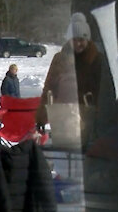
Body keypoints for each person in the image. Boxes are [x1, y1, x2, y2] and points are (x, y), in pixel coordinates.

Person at [36, 11, 104, 150]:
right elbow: (49, 88)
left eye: (82, 39)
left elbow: (102, 90)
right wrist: (41, 116)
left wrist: (100, 116)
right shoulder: (60, 59)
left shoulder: (96, 59)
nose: (79, 43)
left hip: (89, 117)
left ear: (88, 39)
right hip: (64, 116)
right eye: (75, 39)